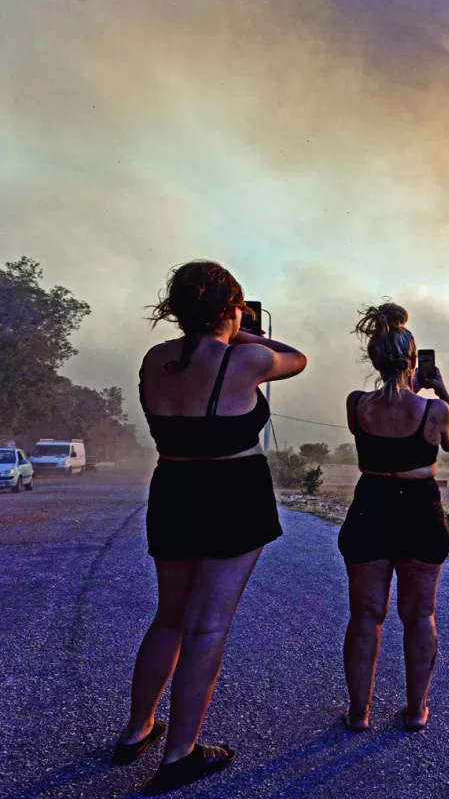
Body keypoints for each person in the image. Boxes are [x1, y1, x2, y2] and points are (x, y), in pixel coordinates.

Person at [113, 260, 306, 794]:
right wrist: (245, 331)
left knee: (170, 617)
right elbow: (298, 359)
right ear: (232, 307)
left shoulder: (155, 360)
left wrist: (226, 327)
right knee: (208, 625)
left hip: (173, 492)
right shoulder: (244, 361)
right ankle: (180, 755)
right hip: (233, 496)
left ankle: (137, 731)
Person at [339, 303, 449, 733]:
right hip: (419, 510)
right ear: (414, 361)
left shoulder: (357, 406)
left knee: (364, 616)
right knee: (419, 615)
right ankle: (415, 711)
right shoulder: (432, 411)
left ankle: (358, 713)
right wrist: (439, 386)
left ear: (373, 359)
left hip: (370, 505)